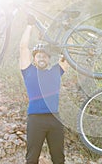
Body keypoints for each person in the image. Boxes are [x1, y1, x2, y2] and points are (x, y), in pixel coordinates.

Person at [20, 15, 67, 164]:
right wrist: (29, 25)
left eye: (45, 56)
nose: (41, 58)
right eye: (38, 55)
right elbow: (23, 47)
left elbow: (68, 55)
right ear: (34, 58)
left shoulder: (55, 71)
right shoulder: (28, 71)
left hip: (55, 119)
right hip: (36, 119)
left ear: (48, 59)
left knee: (59, 159)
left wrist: (67, 30)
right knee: (32, 159)